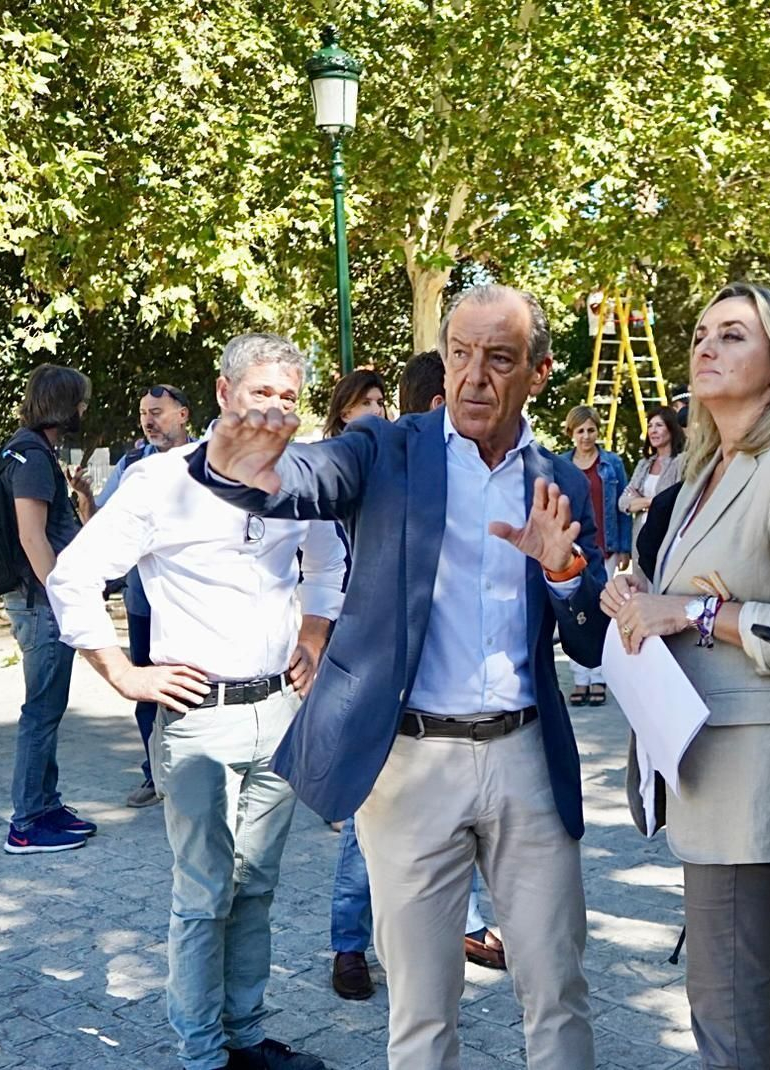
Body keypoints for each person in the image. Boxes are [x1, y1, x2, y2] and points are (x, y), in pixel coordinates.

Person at [193, 285, 608, 1070]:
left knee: (557, 989)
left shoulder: (558, 476)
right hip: (410, 766)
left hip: (526, 761)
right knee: (420, 1010)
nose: (473, 376)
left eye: (499, 358)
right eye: (459, 354)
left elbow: (588, 640)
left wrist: (564, 572)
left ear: (539, 372)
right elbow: (310, 476)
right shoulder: (388, 449)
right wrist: (250, 462)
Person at [48, 334, 346, 1070]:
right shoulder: (159, 483)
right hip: (197, 720)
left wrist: (312, 635)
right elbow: (72, 578)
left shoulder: (296, 478)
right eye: (261, 393)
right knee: (206, 892)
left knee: (258, 886)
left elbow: (332, 559)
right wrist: (123, 673)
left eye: (288, 397)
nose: (276, 409)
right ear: (222, 393)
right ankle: (203, 1052)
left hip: (279, 713)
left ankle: (245, 1036)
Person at [603, 282, 770, 1069]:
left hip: (751, 776)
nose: (706, 347)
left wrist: (694, 613)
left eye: (733, 336)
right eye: (701, 334)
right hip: (705, 759)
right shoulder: (705, 469)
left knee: (725, 1006)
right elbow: (680, 601)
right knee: (767, 994)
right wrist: (641, 597)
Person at [325, 357, 508, 1003]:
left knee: (466, 822)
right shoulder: (388, 469)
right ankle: (349, 945)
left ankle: (464, 924)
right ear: (438, 401)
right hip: (385, 686)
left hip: (460, 703)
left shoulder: (490, 473)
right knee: (364, 833)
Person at [0, 363, 99, 854]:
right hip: (42, 604)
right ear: (61, 404)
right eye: (79, 400)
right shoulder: (33, 457)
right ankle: (27, 822)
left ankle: (44, 802)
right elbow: (32, 536)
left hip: (37, 600)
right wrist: (64, 597)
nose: (83, 408)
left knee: (48, 708)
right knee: (41, 710)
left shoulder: (24, 449)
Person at [98, 383, 193, 809]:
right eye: (143, 414)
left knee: (194, 686)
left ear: (183, 415)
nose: (148, 420)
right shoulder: (131, 465)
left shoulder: (208, 460)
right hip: (143, 602)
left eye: (157, 411)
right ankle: (154, 775)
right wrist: (84, 497)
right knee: (148, 692)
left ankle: (194, 773)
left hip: (193, 604)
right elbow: (102, 523)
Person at [560, 405, 631, 707]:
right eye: (580, 431)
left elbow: (622, 505)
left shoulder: (611, 464)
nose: (586, 436)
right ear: (571, 433)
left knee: (603, 609)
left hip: (606, 545)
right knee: (575, 611)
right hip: (574, 548)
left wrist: (626, 545)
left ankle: (599, 677)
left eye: (591, 430)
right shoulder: (561, 465)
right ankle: (580, 678)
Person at [618, 404, 685, 554]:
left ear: (672, 428)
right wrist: (652, 501)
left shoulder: (682, 462)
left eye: (659, 425)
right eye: (650, 426)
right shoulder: (644, 464)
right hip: (640, 536)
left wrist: (640, 501)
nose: (653, 431)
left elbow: (676, 502)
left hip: (667, 537)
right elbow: (623, 502)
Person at [324, 367, 387, 437]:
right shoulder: (334, 447)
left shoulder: (396, 444)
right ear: (345, 414)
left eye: (380, 403)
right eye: (366, 403)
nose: (377, 411)